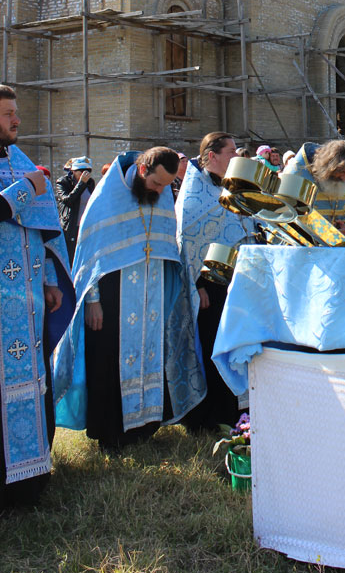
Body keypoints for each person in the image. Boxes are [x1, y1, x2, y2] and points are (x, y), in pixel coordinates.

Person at [54, 147, 205, 451]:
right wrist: (93, 300)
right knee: (109, 360)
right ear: (141, 171)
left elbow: (167, 242)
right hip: (112, 297)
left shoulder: (160, 194)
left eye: (167, 185)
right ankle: (111, 433)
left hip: (152, 295)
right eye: (157, 184)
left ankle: (145, 427)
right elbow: (90, 254)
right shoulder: (107, 197)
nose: (162, 191)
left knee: (152, 356)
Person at [0, 85, 74, 508]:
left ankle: (31, 478)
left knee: (31, 385)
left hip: (25, 304)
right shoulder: (24, 173)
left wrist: (49, 279)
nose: (17, 120)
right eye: (9, 113)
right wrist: (26, 188)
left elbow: (42, 229)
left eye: (16, 113)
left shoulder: (20, 160)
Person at [176, 133, 258, 431]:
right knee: (212, 345)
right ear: (211, 156)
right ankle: (213, 415)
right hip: (209, 286)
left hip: (237, 281)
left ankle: (237, 409)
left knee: (236, 342)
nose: (236, 156)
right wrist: (197, 285)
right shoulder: (194, 194)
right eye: (231, 151)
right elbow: (188, 241)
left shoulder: (232, 187)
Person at [288, 140, 345, 236]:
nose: (344, 178)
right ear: (329, 166)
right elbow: (283, 220)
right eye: (343, 172)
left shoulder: (341, 182)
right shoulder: (296, 176)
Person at [55, 156, 96, 263]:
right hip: (71, 227)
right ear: (73, 171)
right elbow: (68, 200)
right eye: (81, 171)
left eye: (87, 171)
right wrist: (81, 184)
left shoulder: (90, 183)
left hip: (86, 227)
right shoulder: (63, 182)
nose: (84, 174)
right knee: (71, 260)